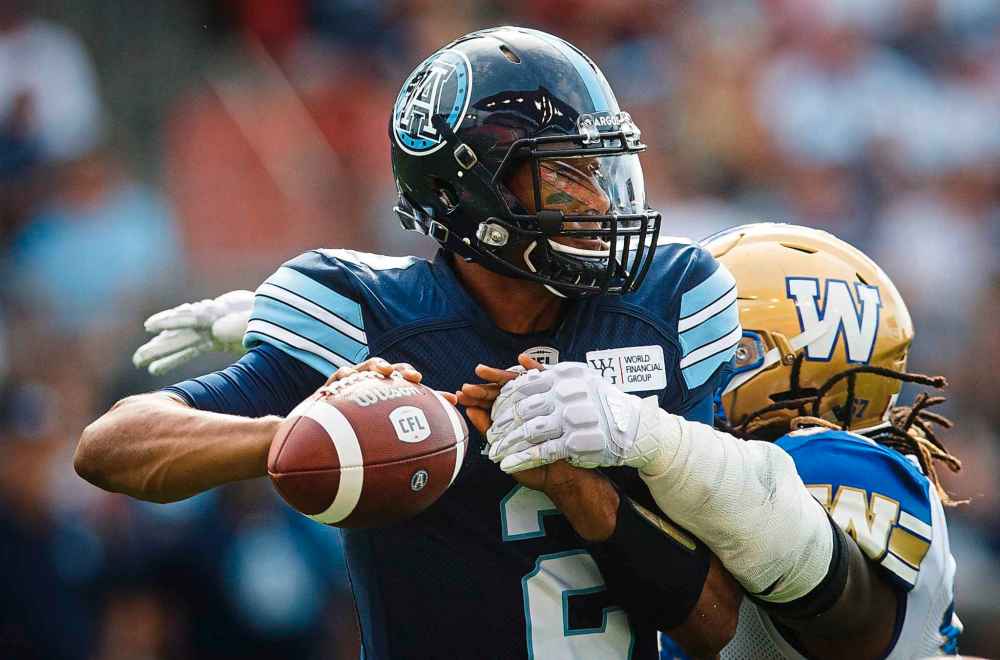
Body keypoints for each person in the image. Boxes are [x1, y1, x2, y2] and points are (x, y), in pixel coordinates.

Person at [76, 27, 743, 659]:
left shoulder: (668, 303)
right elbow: (112, 447)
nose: (600, 204)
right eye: (566, 175)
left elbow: (720, 629)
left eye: (603, 170)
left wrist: (579, 487)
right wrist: (317, 434)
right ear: (474, 189)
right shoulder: (365, 312)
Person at [483, 223, 963, 659]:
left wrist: (649, 435)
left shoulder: (841, 462)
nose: (690, 365)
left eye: (724, 347)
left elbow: (835, 599)